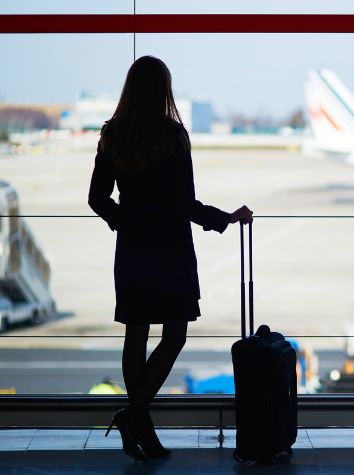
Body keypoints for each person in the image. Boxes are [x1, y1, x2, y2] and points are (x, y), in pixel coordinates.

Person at [88, 56, 252, 462]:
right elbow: (184, 202)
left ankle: (137, 420)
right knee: (174, 335)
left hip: (133, 249)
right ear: (163, 89)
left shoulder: (114, 135)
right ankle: (136, 418)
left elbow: (96, 198)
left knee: (136, 336)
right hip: (170, 248)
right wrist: (225, 219)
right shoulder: (173, 135)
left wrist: (123, 220)